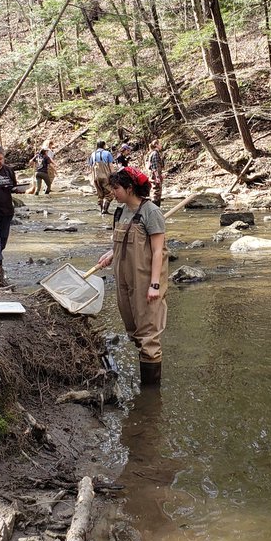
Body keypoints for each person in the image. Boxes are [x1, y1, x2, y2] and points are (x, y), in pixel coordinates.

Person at [95, 166, 168, 387]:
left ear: (129, 188)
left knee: (148, 335)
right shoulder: (121, 211)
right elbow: (124, 242)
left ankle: (150, 396)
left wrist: (155, 285)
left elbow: (158, 251)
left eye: (116, 188)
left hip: (146, 280)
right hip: (125, 280)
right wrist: (111, 252)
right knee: (133, 330)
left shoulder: (151, 212)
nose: (112, 192)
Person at [88, 141, 115, 213]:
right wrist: (114, 175)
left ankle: (101, 210)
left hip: (95, 176)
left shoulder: (92, 154)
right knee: (110, 193)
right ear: (104, 145)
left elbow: (91, 167)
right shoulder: (107, 153)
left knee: (100, 194)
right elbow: (110, 165)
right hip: (105, 176)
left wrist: (91, 178)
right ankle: (105, 210)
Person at [146, 139, 165, 206]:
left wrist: (161, 174)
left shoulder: (154, 153)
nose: (161, 145)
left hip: (155, 175)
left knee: (157, 192)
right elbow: (154, 166)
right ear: (156, 145)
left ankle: (156, 209)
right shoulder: (155, 153)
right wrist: (157, 177)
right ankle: (155, 210)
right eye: (160, 144)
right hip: (155, 176)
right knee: (156, 193)